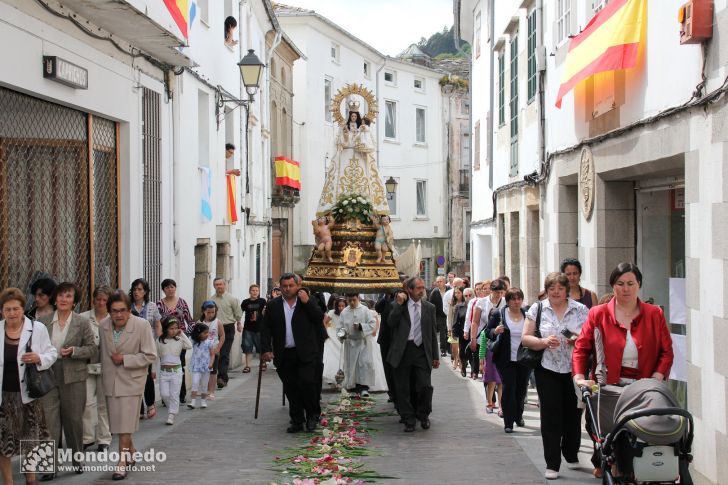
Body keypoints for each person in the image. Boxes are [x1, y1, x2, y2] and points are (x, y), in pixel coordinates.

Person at [573, 263, 673, 478]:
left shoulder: (654, 314)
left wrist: (656, 378)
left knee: (645, 434)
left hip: (644, 388)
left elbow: (667, 351)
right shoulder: (598, 314)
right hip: (609, 387)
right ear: (613, 286)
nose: (625, 289)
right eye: (620, 284)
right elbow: (581, 348)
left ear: (639, 285)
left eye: (630, 283)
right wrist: (580, 377)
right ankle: (615, 468)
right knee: (611, 440)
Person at [521, 273, 588, 480]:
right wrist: (543, 342)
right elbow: (525, 339)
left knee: (573, 414)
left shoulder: (581, 310)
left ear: (567, 289)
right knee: (550, 415)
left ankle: (570, 451)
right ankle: (552, 462)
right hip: (546, 368)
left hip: (574, 369)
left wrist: (576, 340)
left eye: (560, 288)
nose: (556, 292)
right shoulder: (537, 308)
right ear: (547, 290)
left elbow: (589, 338)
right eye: (552, 288)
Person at [38, 282, 97, 478]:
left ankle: (77, 459)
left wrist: (74, 351)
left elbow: (92, 349)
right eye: (61, 296)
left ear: (74, 301)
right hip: (47, 376)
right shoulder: (43, 322)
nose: (64, 299)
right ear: (55, 298)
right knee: (48, 422)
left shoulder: (82, 322)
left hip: (74, 376)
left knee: (73, 421)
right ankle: (48, 466)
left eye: (68, 296)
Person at [0, 288, 57, 485]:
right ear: (2, 311)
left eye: (16, 308)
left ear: (23, 308)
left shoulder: (37, 328)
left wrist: (38, 357)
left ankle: (31, 478)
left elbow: (52, 353)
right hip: (4, 397)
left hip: (28, 395)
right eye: (7, 309)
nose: (12, 313)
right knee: (3, 442)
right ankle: (8, 482)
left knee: (30, 440)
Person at [99, 290, 157, 481]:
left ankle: (121, 462)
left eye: (123, 310)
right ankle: (131, 452)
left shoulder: (142, 325)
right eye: (114, 311)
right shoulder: (103, 325)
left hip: (132, 381)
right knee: (118, 424)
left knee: (125, 425)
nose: (118, 315)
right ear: (109, 311)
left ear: (129, 310)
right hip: (110, 381)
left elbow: (150, 355)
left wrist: (125, 359)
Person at [261, 273, 327, 433]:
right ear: (280, 287)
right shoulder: (273, 305)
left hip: (306, 352)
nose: (288, 289)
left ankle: (312, 415)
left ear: (298, 286)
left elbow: (319, 318)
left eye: (291, 286)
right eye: (285, 286)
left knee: (308, 384)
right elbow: (266, 329)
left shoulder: (307, 301)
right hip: (284, 353)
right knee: (291, 388)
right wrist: (266, 349)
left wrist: (307, 302)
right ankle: (297, 419)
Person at [315, 104, 389, 217]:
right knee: (341, 179)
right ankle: (338, 207)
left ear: (358, 117)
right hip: (346, 155)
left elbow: (371, 143)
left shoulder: (363, 129)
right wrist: (345, 135)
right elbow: (341, 144)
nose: (354, 118)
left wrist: (364, 133)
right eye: (352, 116)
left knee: (364, 177)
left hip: (360, 155)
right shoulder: (344, 128)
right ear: (349, 117)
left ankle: (368, 206)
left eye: (355, 116)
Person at [387, 277, 440, 432]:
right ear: (409, 290)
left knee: (424, 386)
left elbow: (431, 333)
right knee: (403, 388)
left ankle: (423, 415)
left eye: (422, 287)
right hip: (403, 351)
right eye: (418, 288)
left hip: (422, 351)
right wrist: (398, 304)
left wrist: (435, 356)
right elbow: (391, 322)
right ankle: (409, 419)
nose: (421, 291)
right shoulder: (399, 306)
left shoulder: (429, 307)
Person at [486, 287, 530, 435]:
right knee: (509, 388)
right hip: (505, 359)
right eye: (513, 299)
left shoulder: (528, 314)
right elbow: (487, 331)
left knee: (521, 389)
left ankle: (518, 415)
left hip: (524, 359)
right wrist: (495, 331)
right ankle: (508, 422)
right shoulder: (499, 314)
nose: (516, 302)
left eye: (519, 299)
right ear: (508, 300)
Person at [81, 286, 113, 452]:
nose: (101, 303)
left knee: (104, 403)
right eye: (98, 299)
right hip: (87, 366)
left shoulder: (113, 319)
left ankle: (104, 438)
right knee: (86, 402)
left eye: (104, 300)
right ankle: (87, 437)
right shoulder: (82, 318)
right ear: (93, 300)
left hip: (107, 367)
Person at [156, 279, 193, 404]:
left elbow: (190, 321)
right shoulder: (159, 304)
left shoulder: (182, 303)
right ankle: (166, 396)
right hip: (165, 341)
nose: (170, 289)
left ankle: (180, 395)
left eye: (172, 287)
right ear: (163, 290)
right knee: (165, 366)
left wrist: (184, 335)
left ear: (175, 288)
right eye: (167, 287)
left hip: (179, 341)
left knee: (179, 366)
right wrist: (160, 337)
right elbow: (157, 323)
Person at [337, 294, 376, 396]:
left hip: (363, 343)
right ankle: (352, 386)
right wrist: (342, 334)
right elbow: (339, 327)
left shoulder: (365, 310)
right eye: (350, 300)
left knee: (363, 365)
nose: (352, 303)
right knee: (351, 366)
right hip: (350, 344)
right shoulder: (344, 312)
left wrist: (361, 326)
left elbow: (372, 323)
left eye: (354, 300)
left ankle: (363, 387)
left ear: (358, 298)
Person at [156, 316, 191, 424]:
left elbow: (189, 346)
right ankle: (173, 409)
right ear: (166, 328)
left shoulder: (180, 340)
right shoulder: (160, 341)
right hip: (164, 372)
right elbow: (155, 356)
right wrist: (153, 370)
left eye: (176, 328)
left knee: (174, 394)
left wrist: (182, 334)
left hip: (176, 372)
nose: (174, 330)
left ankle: (171, 415)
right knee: (164, 394)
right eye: (171, 328)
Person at [209, 278, 242, 389]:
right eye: (216, 284)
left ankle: (221, 378)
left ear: (225, 285)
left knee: (224, 353)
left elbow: (238, 312)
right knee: (215, 353)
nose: (219, 286)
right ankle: (217, 377)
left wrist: (238, 323)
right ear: (214, 286)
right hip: (215, 329)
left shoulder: (232, 299)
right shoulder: (211, 300)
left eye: (221, 284)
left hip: (228, 328)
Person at [470, 279, 507, 380]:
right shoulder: (481, 302)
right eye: (496, 292)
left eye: (501, 292)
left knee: (500, 372)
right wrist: (473, 338)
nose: (499, 294)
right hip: (485, 338)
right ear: (491, 290)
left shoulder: (505, 302)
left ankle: (500, 390)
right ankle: (490, 392)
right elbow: (475, 321)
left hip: (501, 338)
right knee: (488, 370)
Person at [197, 301, 224, 399]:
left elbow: (222, 336)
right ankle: (202, 389)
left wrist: (218, 348)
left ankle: (211, 391)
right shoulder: (199, 323)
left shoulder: (218, 322)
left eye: (213, 312)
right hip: (202, 352)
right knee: (202, 371)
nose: (211, 314)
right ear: (203, 311)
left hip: (213, 351)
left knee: (213, 372)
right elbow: (196, 337)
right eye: (208, 312)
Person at [187, 324, 215, 409]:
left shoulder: (209, 342)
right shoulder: (194, 341)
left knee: (204, 385)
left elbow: (212, 354)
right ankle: (193, 401)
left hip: (206, 367)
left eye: (208, 332)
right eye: (205, 333)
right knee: (195, 383)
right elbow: (187, 342)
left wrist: (211, 363)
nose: (207, 334)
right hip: (196, 366)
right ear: (198, 333)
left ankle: (203, 401)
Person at [240, 284, 267, 374]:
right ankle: (247, 366)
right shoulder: (245, 302)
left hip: (260, 328)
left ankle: (262, 363)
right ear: (249, 292)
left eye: (256, 291)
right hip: (248, 327)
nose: (255, 292)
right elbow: (240, 313)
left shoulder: (262, 301)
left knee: (260, 347)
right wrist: (238, 323)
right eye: (253, 290)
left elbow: (266, 312)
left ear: (259, 292)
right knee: (247, 347)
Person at [322, 298, 346, 387]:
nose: (341, 308)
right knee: (333, 356)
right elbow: (325, 322)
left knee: (343, 356)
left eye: (343, 306)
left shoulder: (347, 313)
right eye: (339, 306)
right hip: (333, 334)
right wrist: (327, 332)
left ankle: (343, 378)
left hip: (343, 334)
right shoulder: (332, 312)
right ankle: (334, 377)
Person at [449, 287, 469, 371]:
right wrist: (449, 328)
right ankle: (455, 359)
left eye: (458, 293)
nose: (456, 295)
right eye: (455, 293)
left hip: (462, 329)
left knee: (461, 347)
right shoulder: (452, 303)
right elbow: (449, 316)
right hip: (453, 328)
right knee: (454, 346)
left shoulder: (467, 304)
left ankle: (461, 363)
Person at [428, 276, 448, 357]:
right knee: (442, 333)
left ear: (444, 282)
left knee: (449, 332)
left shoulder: (449, 290)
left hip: (449, 315)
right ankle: (443, 350)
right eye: (437, 282)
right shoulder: (434, 292)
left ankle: (449, 348)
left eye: (440, 281)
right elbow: (430, 304)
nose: (439, 283)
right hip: (439, 316)